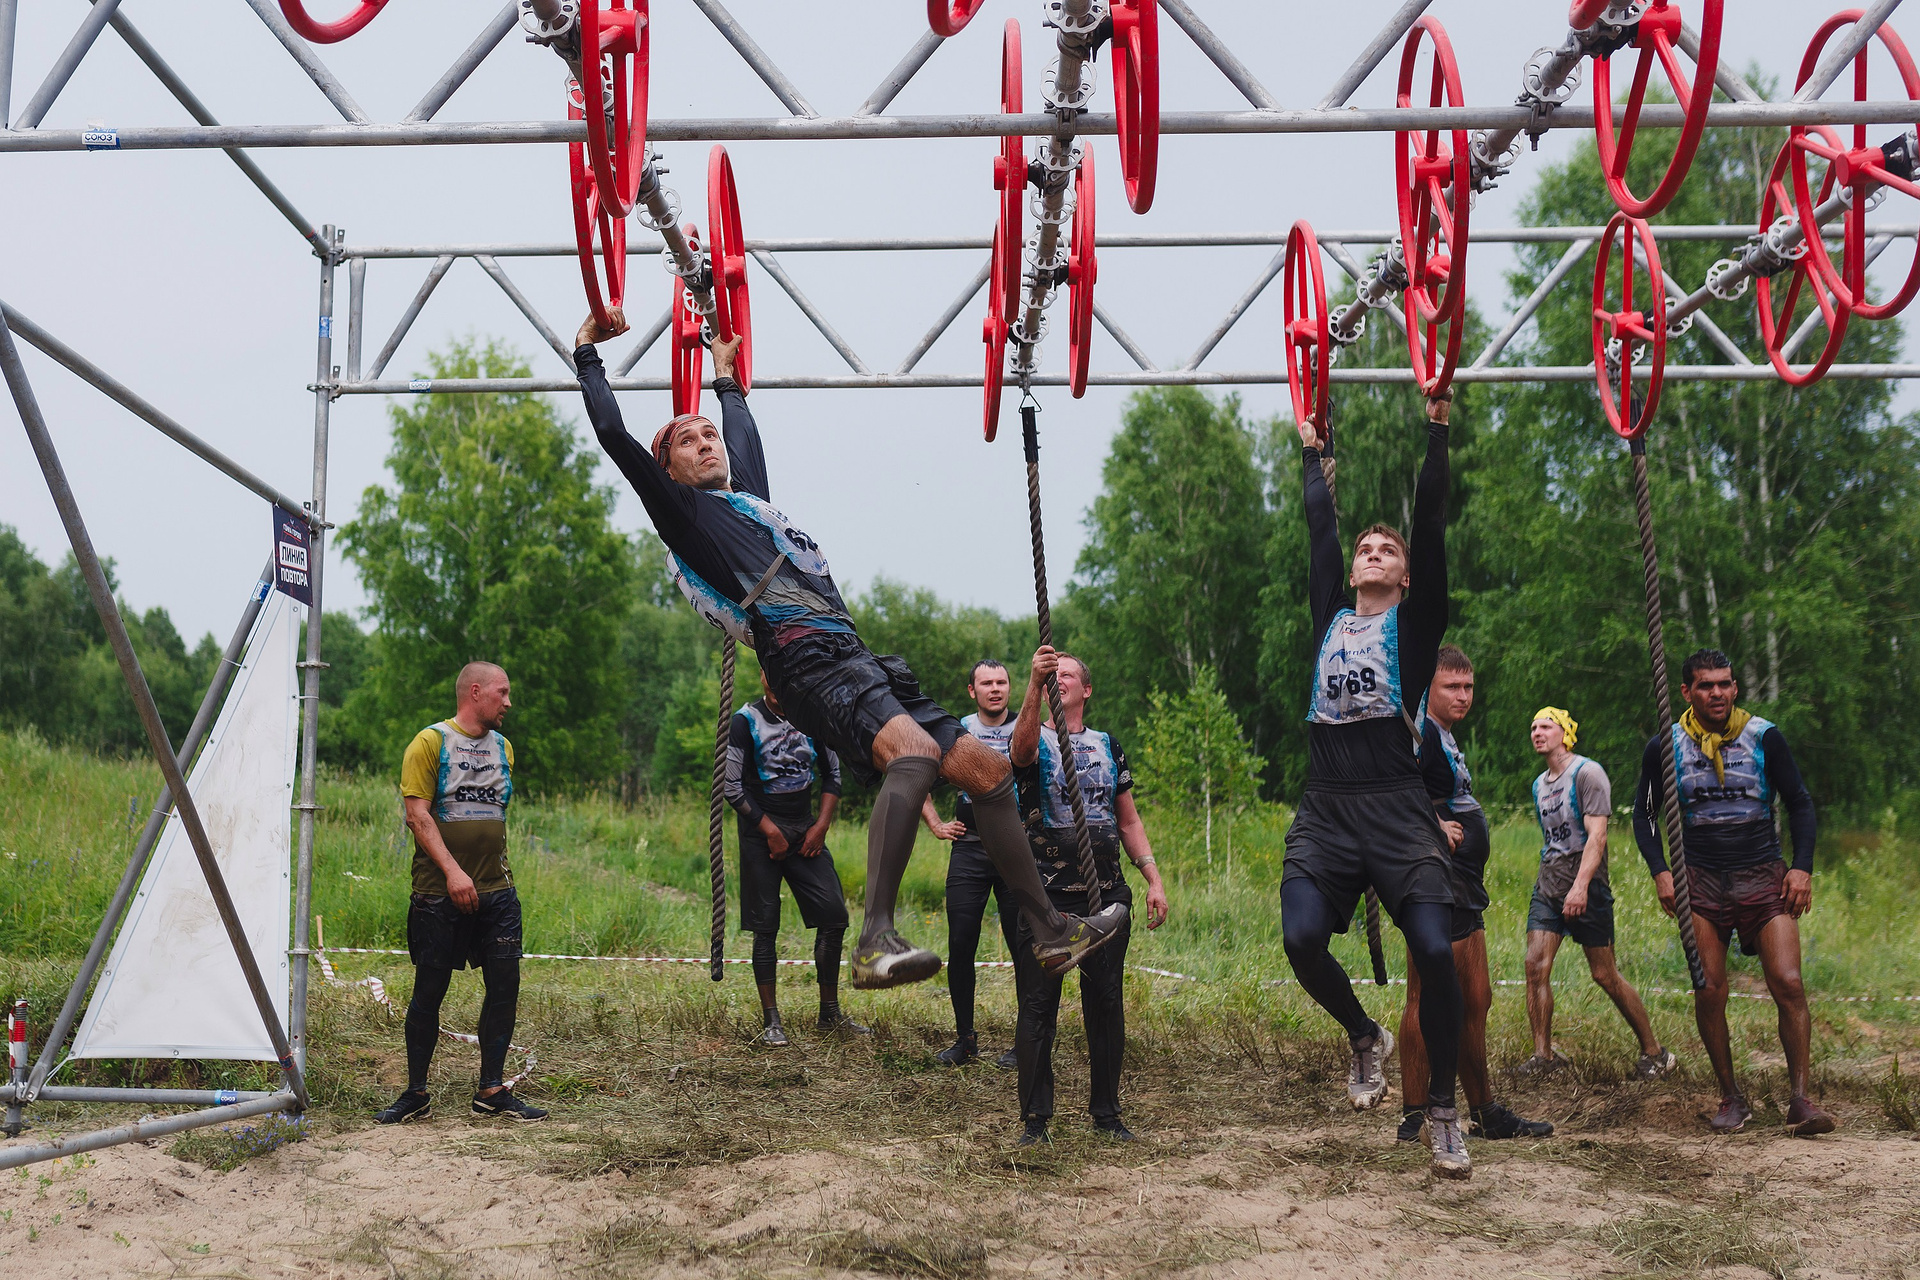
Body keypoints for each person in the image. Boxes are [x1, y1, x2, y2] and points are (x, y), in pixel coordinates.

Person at [573, 313, 1125, 991]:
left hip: (856, 656)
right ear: (669, 473)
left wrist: (725, 375)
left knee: (988, 774)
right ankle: (874, 941)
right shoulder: (686, 518)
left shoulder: (749, 508)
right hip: (806, 665)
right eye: (687, 441)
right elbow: (612, 434)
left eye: (707, 434)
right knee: (914, 755)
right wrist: (587, 351)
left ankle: (1050, 932)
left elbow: (743, 436)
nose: (706, 443)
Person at [1281, 393, 1472, 1179]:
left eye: (1384, 551)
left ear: (1402, 573)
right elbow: (1319, 529)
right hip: (1327, 805)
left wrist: (1437, 429)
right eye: (1366, 548)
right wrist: (1311, 452)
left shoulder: (1415, 625)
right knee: (1300, 939)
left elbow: (1430, 523)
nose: (1370, 554)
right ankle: (1365, 1035)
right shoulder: (1330, 614)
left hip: (1395, 805)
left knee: (1433, 950)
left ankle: (1444, 1112)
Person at [1632, 649, 1830, 1135]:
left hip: (1763, 879)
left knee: (1788, 982)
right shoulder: (1665, 746)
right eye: (1705, 685)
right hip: (1700, 883)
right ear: (1687, 692)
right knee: (1709, 991)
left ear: (1735, 688)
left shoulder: (1764, 737)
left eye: (1724, 684)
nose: (1716, 693)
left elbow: (1800, 803)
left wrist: (1802, 868)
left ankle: (1800, 1100)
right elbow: (1644, 814)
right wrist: (1660, 871)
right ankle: (1731, 1097)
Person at [1007, 647, 1169, 1145]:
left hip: (1105, 894)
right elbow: (1019, 754)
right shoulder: (1034, 735)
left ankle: (1107, 1115)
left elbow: (1129, 820)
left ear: (1087, 689)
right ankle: (1036, 1122)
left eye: (1067, 674)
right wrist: (1032, 685)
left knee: (1106, 1003)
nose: (1059, 679)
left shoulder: (1107, 745)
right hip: (1046, 899)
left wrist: (1153, 878)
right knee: (1038, 1007)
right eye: (1052, 674)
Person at [374, 662, 547, 1124]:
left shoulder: (504, 748)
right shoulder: (429, 743)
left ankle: (491, 1089)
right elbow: (417, 817)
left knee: (505, 986)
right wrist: (453, 873)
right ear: (475, 692)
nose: (508, 702)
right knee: (429, 991)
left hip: (498, 891)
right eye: (501, 692)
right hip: (438, 892)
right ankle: (415, 1093)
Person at [1396, 647, 1553, 1144]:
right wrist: (1434, 823)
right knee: (1428, 995)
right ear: (1430, 688)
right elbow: (1393, 785)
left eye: (1468, 687)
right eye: (1452, 687)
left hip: (1463, 880)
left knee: (1476, 998)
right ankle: (1416, 1116)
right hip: (1437, 878)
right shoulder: (1419, 732)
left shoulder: (1442, 733)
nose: (1463, 696)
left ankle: (1484, 1111)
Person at [1521, 708, 1674, 1082]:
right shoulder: (1539, 784)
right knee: (1535, 966)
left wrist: (1580, 886)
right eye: (1534, 728)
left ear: (1565, 733)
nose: (1537, 732)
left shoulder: (1587, 773)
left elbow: (1598, 836)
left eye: (1546, 726)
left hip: (1587, 887)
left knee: (1604, 974)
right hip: (1548, 886)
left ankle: (1655, 1053)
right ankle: (1543, 1056)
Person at [724, 669, 866, 1046]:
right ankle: (771, 1021)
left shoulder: (814, 717)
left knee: (834, 915)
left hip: (805, 828)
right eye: (771, 676)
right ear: (762, 676)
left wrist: (821, 826)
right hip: (760, 832)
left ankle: (829, 1013)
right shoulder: (744, 722)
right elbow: (731, 786)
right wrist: (769, 831)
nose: (777, 685)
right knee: (765, 924)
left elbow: (833, 775)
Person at [921, 659, 1022, 1068]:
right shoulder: (957, 730)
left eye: (1001, 682)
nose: (995, 689)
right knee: (961, 943)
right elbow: (916, 773)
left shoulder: (1027, 727)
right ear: (972, 691)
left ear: (1010, 688)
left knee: (1023, 946)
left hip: (1017, 850)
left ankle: (1027, 1041)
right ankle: (965, 1041)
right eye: (986, 683)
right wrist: (935, 823)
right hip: (969, 847)